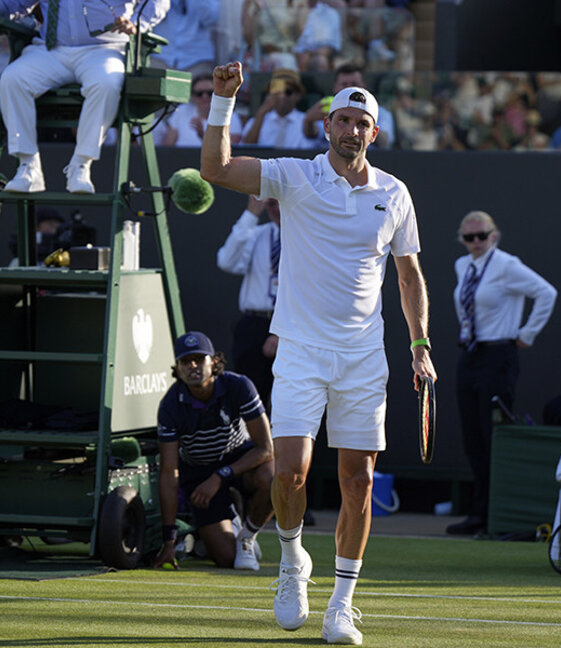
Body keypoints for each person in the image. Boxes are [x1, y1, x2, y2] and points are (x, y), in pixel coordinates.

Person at [201, 62, 435, 645]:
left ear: (373, 134)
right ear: (326, 126)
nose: (352, 130)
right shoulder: (294, 177)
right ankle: (291, 562)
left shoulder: (394, 194)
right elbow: (216, 168)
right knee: (291, 472)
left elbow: (409, 278)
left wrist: (421, 345)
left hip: (363, 359)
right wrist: (223, 103)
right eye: (344, 120)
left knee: (358, 481)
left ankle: (342, 605)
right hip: (302, 352)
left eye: (363, 123)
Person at [0, 0, 169, 195]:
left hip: (105, 49)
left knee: (106, 83)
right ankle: (28, 165)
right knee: (12, 79)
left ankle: (81, 164)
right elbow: (12, 6)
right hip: (52, 49)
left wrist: (137, 23)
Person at [447, 210, 556, 537]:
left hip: (499, 354)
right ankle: (478, 512)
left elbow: (547, 293)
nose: (476, 242)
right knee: (472, 437)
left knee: (492, 434)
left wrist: (527, 333)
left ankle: (493, 515)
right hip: (470, 352)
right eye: (470, 238)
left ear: (494, 235)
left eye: (482, 236)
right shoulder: (462, 265)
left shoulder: (506, 264)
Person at [152, 331, 275, 571]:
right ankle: (230, 523)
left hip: (241, 458)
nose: (193, 366)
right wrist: (168, 540)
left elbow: (266, 449)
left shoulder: (239, 385)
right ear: (177, 369)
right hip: (198, 472)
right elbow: (169, 473)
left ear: (214, 362)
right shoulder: (170, 405)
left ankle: (247, 536)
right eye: (185, 361)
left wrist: (220, 476)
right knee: (228, 559)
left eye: (200, 359)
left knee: (273, 478)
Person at [216, 195, 282, 411]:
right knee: (249, 399)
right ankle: (251, 444)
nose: (277, 209)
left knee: (292, 402)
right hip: (255, 323)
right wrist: (251, 214)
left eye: (282, 202)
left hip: (291, 324)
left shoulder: (310, 237)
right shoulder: (257, 235)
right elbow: (227, 261)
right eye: (272, 203)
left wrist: (281, 331)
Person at [301, 63, 395, 148]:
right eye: (344, 84)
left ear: (364, 86)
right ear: (335, 87)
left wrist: (365, 129)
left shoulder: (380, 113)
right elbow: (313, 134)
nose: (350, 88)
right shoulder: (326, 110)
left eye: (354, 84)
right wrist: (309, 120)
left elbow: (384, 142)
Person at [241, 67, 317, 148]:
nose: (282, 96)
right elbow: (247, 149)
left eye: (288, 92)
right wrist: (261, 113)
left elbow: (314, 137)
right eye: (277, 92)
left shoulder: (306, 121)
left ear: (298, 95)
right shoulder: (257, 121)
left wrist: (309, 121)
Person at [161, 75, 242, 147]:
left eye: (210, 93)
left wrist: (203, 135)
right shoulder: (182, 111)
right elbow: (168, 146)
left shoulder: (230, 116)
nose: (205, 97)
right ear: (193, 96)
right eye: (199, 94)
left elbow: (231, 151)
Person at [150, 0, 220, 78]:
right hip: (161, 56)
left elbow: (210, 18)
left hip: (196, 59)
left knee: (204, 87)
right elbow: (149, 15)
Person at [292, 0, 341, 72]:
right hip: (298, 52)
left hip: (318, 54)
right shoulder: (298, 10)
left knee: (319, 61)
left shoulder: (329, 13)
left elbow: (332, 45)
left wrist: (310, 54)